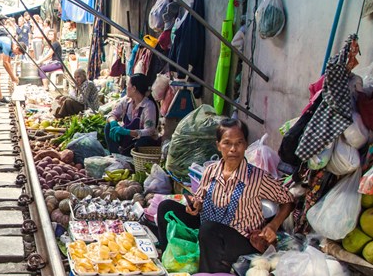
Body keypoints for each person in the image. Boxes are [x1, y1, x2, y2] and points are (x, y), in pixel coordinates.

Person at [156, 119, 295, 273]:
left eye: (239, 143)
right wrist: (195, 206)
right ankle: (168, 262)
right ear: (218, 145)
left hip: (241, 241)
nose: (233, 149)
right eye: (227, 143)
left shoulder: (258, 177)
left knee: (209, 230)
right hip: (209, 229)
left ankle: (207, 273)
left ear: (245, 145)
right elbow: (199, 200)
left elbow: (288, 200)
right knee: (166, 207)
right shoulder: (211, 171)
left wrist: (273, 225)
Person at [104, 74, 160, 156]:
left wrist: (128, 132)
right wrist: (113, 123)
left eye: (128, 85)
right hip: (127, 139)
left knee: (144, 140)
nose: (126, 87)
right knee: (108, 127)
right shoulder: (126, 101)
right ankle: (115, 155)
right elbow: (112, 114)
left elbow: (149, 131)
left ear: (134, 88)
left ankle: (132, 160)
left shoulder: (148, 106)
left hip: (139, 142)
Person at [0, 34, 27, 106]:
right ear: (17, 48)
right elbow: (5, 63)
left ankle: (0, 98)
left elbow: (9, 64)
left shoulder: (11, 49)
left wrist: (13, 76)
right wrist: (13, 77)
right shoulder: (7, 43)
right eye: (18, 53)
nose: (17, 55)